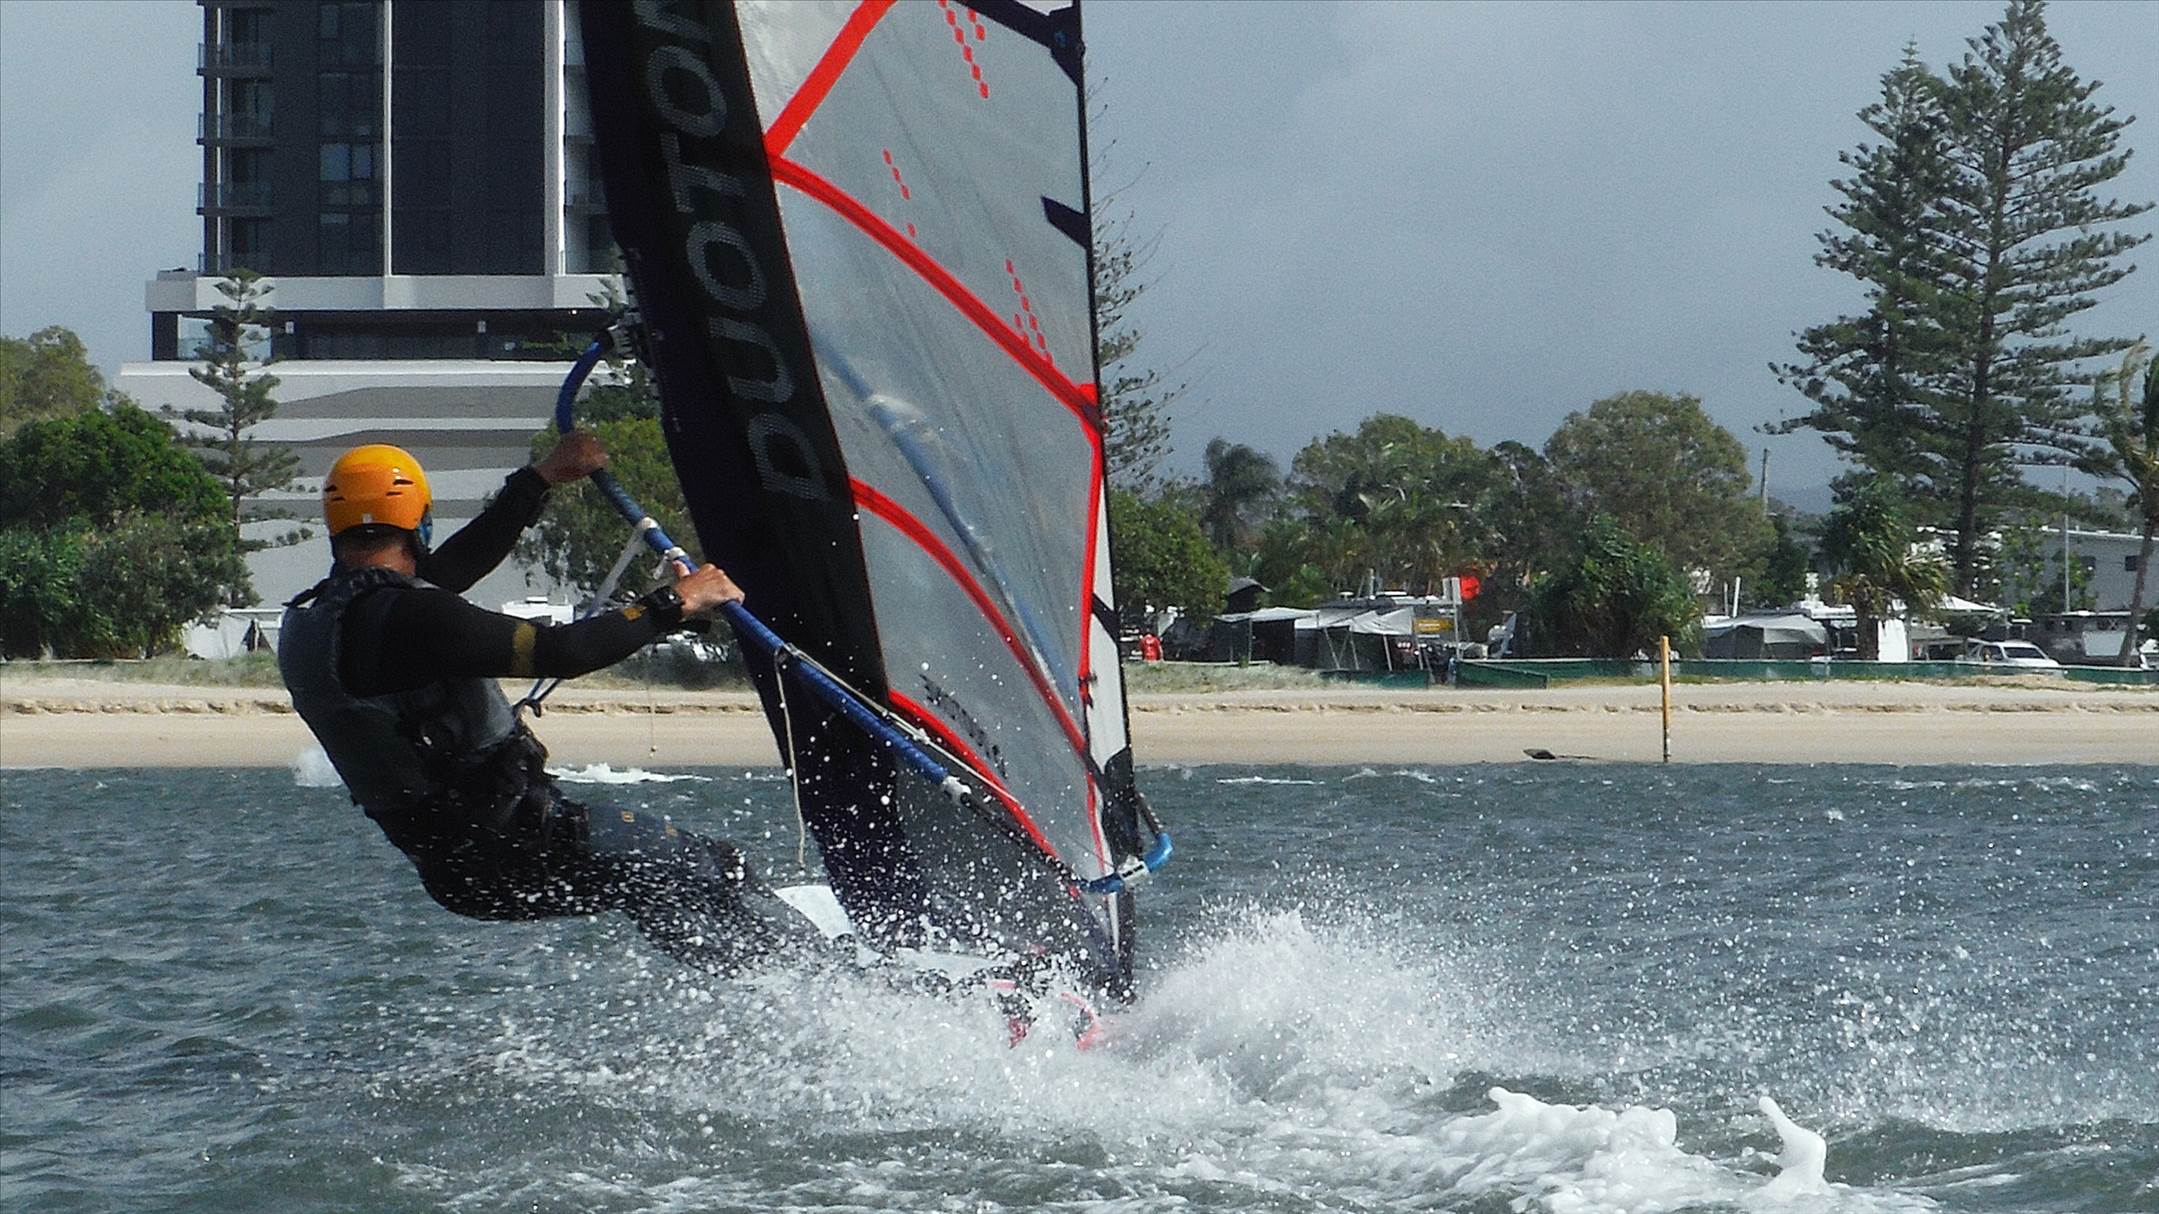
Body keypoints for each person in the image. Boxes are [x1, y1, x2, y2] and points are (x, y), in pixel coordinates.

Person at [278, 436, 820, 975]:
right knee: (714, 867)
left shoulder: (315, 626)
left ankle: (773, 981)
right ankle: (826, 973)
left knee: (651, 886)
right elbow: (563, 652)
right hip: (526, 844)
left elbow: (449, 573)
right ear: (421, 523)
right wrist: (675, 601)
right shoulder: (411, 619)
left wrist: (539, 480)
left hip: (460, 878)